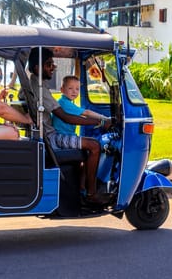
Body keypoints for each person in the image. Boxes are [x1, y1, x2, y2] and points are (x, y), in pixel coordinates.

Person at [28, 47, 112, 205]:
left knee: (88, 148)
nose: (53, 67)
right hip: (52, 138)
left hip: (48, 134)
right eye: (49, 64)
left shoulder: (37, 83)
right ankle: (91, 194)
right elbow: (66, 118)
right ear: (38, 68)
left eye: (53, 63)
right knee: (94, 146)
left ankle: (81, 189)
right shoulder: (40, 88)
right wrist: (101, 122)